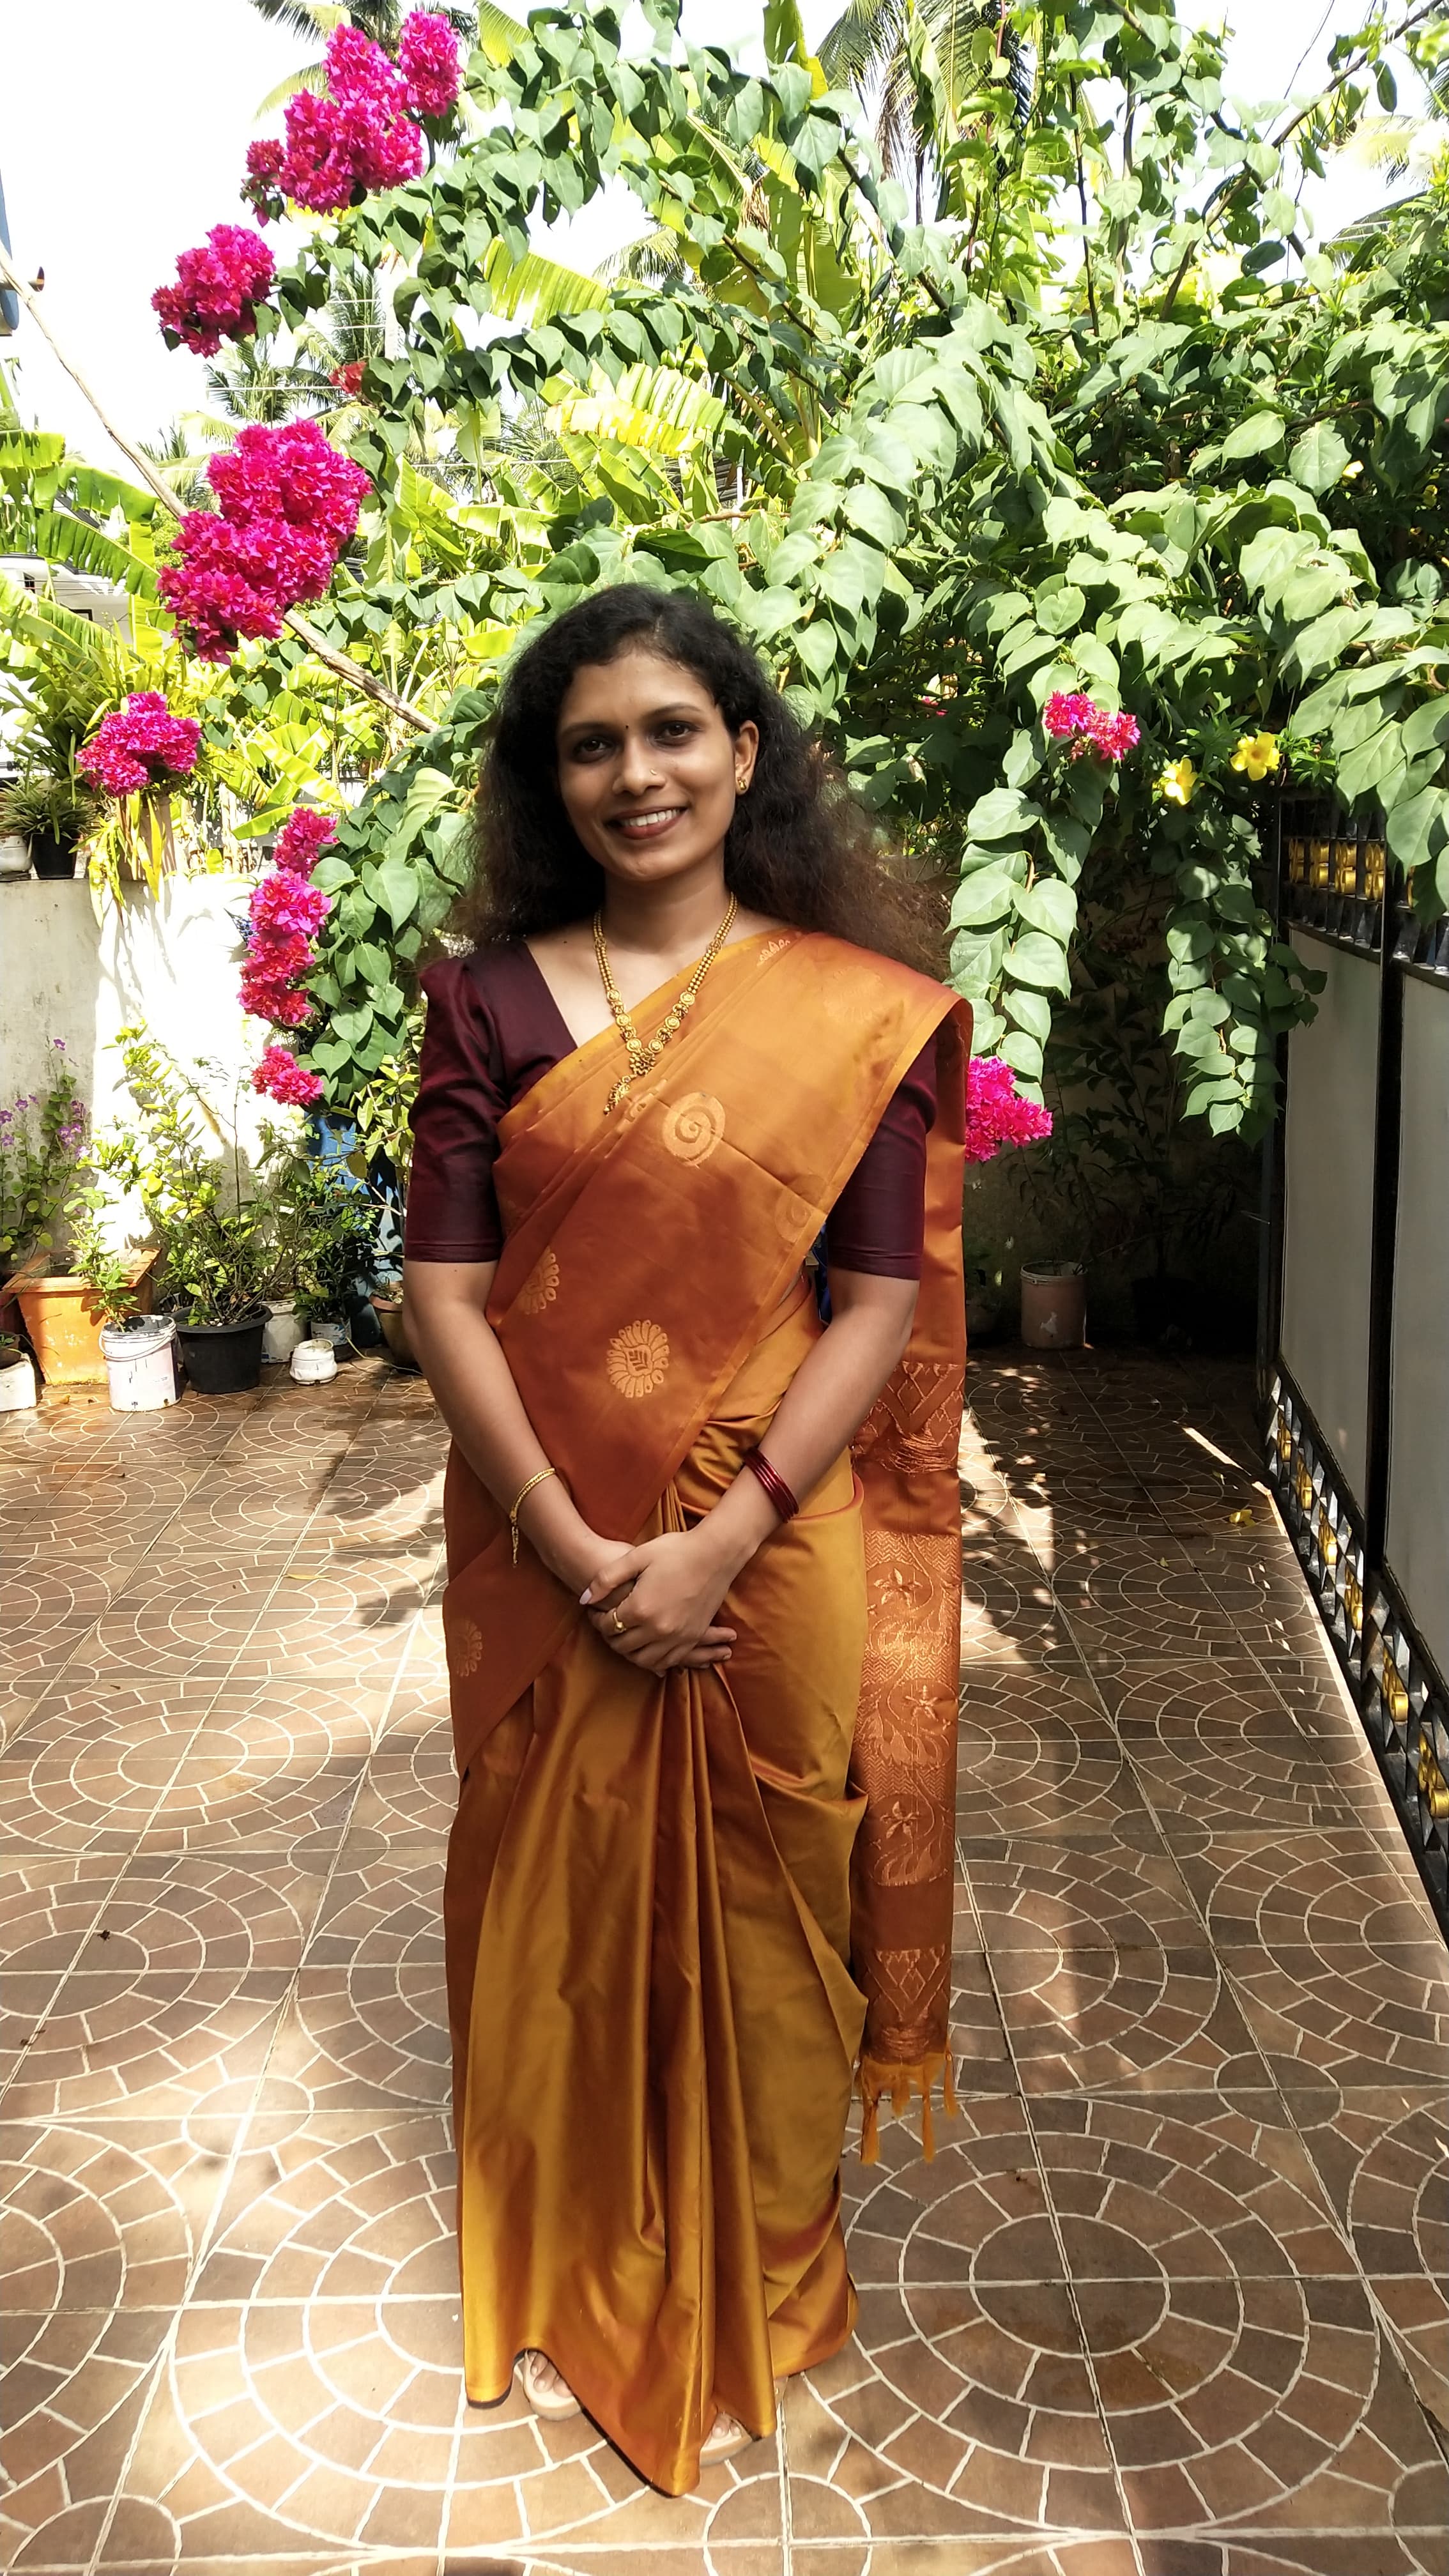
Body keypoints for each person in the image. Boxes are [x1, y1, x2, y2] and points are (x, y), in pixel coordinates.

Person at [403, 582, 970, 2497]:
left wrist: (721, 1541)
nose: (635, 774)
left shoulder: (851, 1012)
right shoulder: (487, 1000)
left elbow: (874, 1303)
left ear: (744, 752)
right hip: (541, 1525)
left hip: (770, 1538)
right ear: (548, 780)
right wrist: (576, 1550)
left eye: (670, 732)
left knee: (774, 1892)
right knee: (546, 1901)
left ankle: (770, 2276)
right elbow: (443, 1294)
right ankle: (578, 2268)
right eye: (592, 745)